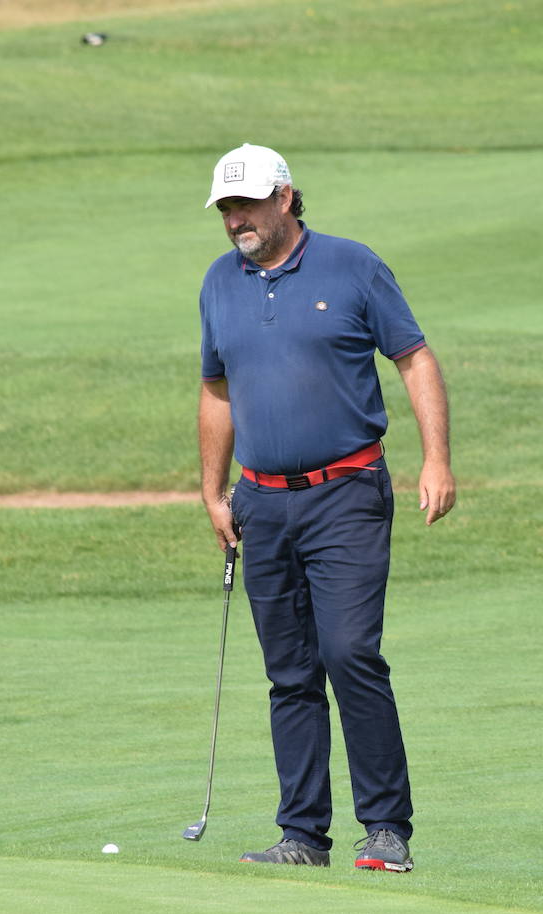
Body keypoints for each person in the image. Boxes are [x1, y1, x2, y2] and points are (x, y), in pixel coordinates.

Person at [196, 143, 455, 872]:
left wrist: (436, 458)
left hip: (347, 493)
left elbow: (415, 358)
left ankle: (387, 829)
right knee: (290, 671)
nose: (235, 219)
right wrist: (213, 489)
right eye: (225, 208)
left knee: (349, 653)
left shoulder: (352, 266)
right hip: (262, 503)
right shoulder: (220, 282)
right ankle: (303, 835)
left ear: (285, 196)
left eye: (245, 204)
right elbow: (215, 390)